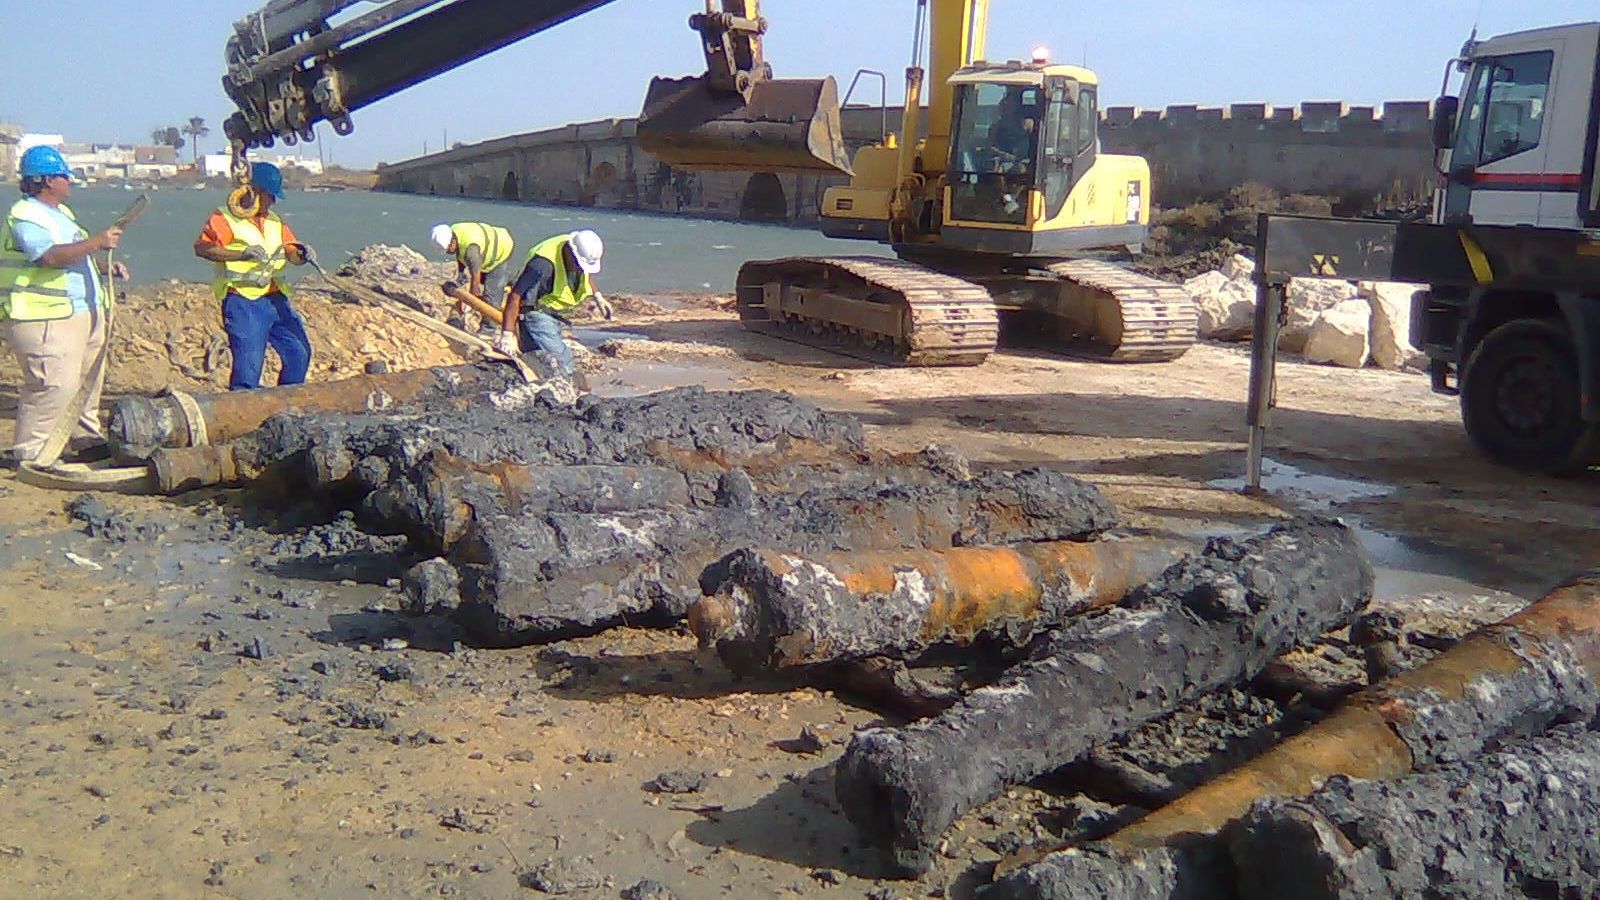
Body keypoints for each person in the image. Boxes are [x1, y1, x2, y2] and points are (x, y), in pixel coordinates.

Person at [0, 146, 127, 468]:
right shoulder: (27, 216)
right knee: (52, 384)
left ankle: (85, 437)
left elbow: (72, 254)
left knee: (86, 379)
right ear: (45, 181)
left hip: (79, 311)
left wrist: (102, 266)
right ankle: (31, 453)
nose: (69, 180)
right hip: (44, 315)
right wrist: (96, 242)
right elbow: (47, 256)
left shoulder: (61, 216)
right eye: (63, 175)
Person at [193, 161, 314, 390]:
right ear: (253, 192)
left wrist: (302, 254)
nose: (273, 201)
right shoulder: (225, 218)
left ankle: (285, 402)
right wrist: (240, 254)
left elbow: (290, 251)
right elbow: (203, 248)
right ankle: (242, 411)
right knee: (248, 368)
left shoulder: (274, 221)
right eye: (270, 195)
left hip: (275, 298)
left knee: (299, 353)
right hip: (243, 302)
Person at [495, 229, 612, 376]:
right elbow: (515, 295)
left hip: (553, 313)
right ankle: (565, 391)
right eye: (578, 264)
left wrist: (598, 296)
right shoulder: (542, 264)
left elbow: (584, 273)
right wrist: (507, 335)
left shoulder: (574, 251)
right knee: (562, 361)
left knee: (537, 359)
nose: (579, 269)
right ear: (570, 251)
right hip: (536, 314)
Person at [429, 221, 516, 332]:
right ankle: (508, 284)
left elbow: (475, 281)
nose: (447, 252)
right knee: (489, 282)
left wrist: (469, 302)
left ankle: (489, 329)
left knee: (491, 293)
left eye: (448, 249)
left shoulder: (471, 250)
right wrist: (460, 275)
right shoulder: (454, 233)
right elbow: (460, 256)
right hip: (490, 245)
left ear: (452, 242)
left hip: (502, 250)